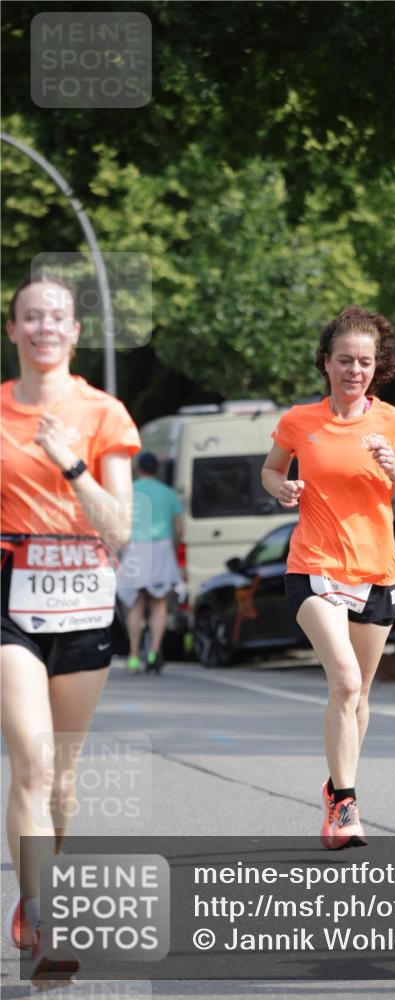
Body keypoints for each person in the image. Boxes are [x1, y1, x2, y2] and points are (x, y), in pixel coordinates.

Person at [0, 272, 140, 984]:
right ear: (14, 331)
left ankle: (38, 892)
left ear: (74, 332)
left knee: (62, 777)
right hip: (9, 594)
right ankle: (42, 913)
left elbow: (120, 526)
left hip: (85, 594)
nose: (45, 326)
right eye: (32, 316)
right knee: (32, 762)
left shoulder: (104, 412)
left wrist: (73, 465)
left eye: (57, 316)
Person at [262, 306, 395, 849]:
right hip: (313, 567)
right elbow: (271, 468)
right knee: (346, 680)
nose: (354, 370)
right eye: (344, 360)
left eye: (364, 361)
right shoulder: (299, 421)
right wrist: (280, 488)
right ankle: (345, 805)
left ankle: (338, 781)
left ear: (376, 366)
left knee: (359, 699)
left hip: (376, 572)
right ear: (326, 363)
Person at [117, 451, 183, 673]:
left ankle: (134, 655)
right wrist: (172, 548)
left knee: (135, 604)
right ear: (157, 469)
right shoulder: (168, 493)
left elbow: (119, 524)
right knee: (159, 603)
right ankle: (154, 651)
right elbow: (179, 528)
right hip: (162, 548)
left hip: (136, 548)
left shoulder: (129, 492)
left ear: (138, 468)